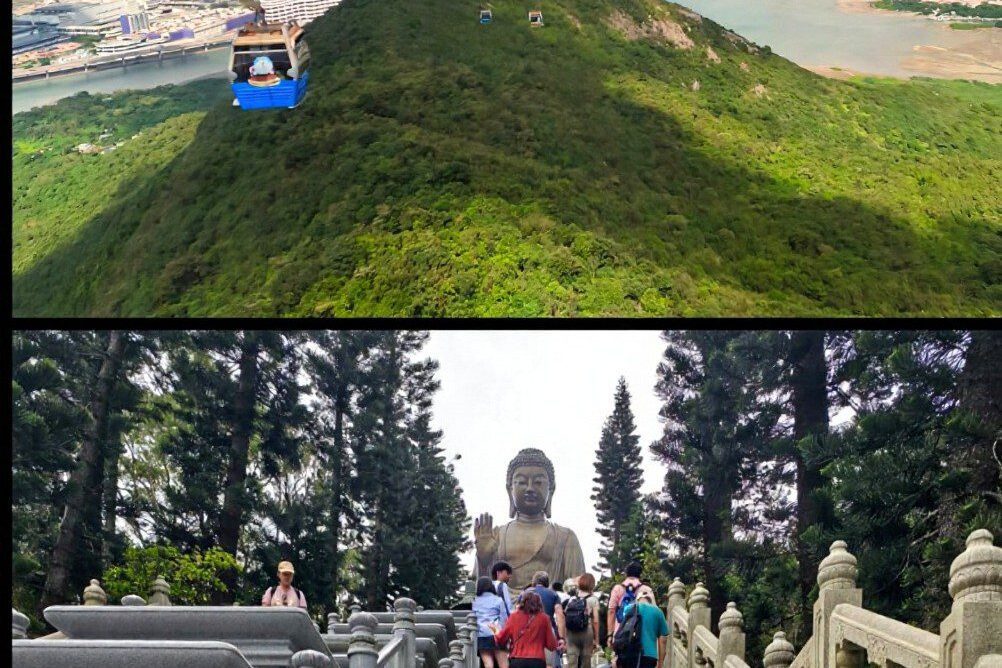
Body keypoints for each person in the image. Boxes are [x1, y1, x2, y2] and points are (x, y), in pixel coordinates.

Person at [495, 590, 557, 668]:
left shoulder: (514, 616)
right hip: (537, 661)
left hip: (517, 660)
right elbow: (552, 645)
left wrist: (496, 631)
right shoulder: (544, 618)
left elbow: (501, 639)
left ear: (522, 603)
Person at [520, 571, 566, 668]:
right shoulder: (553, 594)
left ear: (534, 581)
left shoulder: (524, 594)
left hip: (527, 632)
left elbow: (518, 613)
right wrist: (561, 637)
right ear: (547, 582)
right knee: (549, 663)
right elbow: (560, 615)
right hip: (548, 631)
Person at [616, 587, 668, 668]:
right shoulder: (658, 612)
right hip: (649, 655)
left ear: (637, 598)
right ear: (651, 600)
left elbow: (622, 631)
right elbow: (663, 640)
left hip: (630, 653)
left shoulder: (629, 609)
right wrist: (660, 663)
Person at [564, 573, 600, 668]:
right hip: (586, 632)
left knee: (572, 659)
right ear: (592, 585)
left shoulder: (572, 598)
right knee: (586, 659)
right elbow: (595, 621)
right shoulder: (593, 600)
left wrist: (564, 636)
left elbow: (565, 615)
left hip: (571, 632)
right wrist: (596, 639)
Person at [473, 576, 510, 668]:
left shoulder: (475, 601)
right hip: (496, 633)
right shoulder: (498, 600)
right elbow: (504, 619)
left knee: (488, 664)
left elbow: (473, 618)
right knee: (503, 664)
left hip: (482, 635)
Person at [606, 561, 643, 643]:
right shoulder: (644, 589)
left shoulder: (618, 588)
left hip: (620, 633)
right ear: (640, 574)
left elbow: (611, 611)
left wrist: (610, 635)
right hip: (639, 633)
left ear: (626, 573)